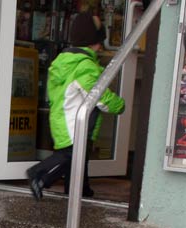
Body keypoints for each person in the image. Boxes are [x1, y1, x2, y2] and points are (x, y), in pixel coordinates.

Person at [26, 12, 125, 200]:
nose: (100, 47)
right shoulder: (85, 66)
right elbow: (99, 96)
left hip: (63, 118)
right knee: (71, 156)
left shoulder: (63, 61)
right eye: (100, 43)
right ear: (94, 42)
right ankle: (39, 175)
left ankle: (80, 189)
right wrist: (119, 105)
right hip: (74, 123)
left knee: (79, 158)